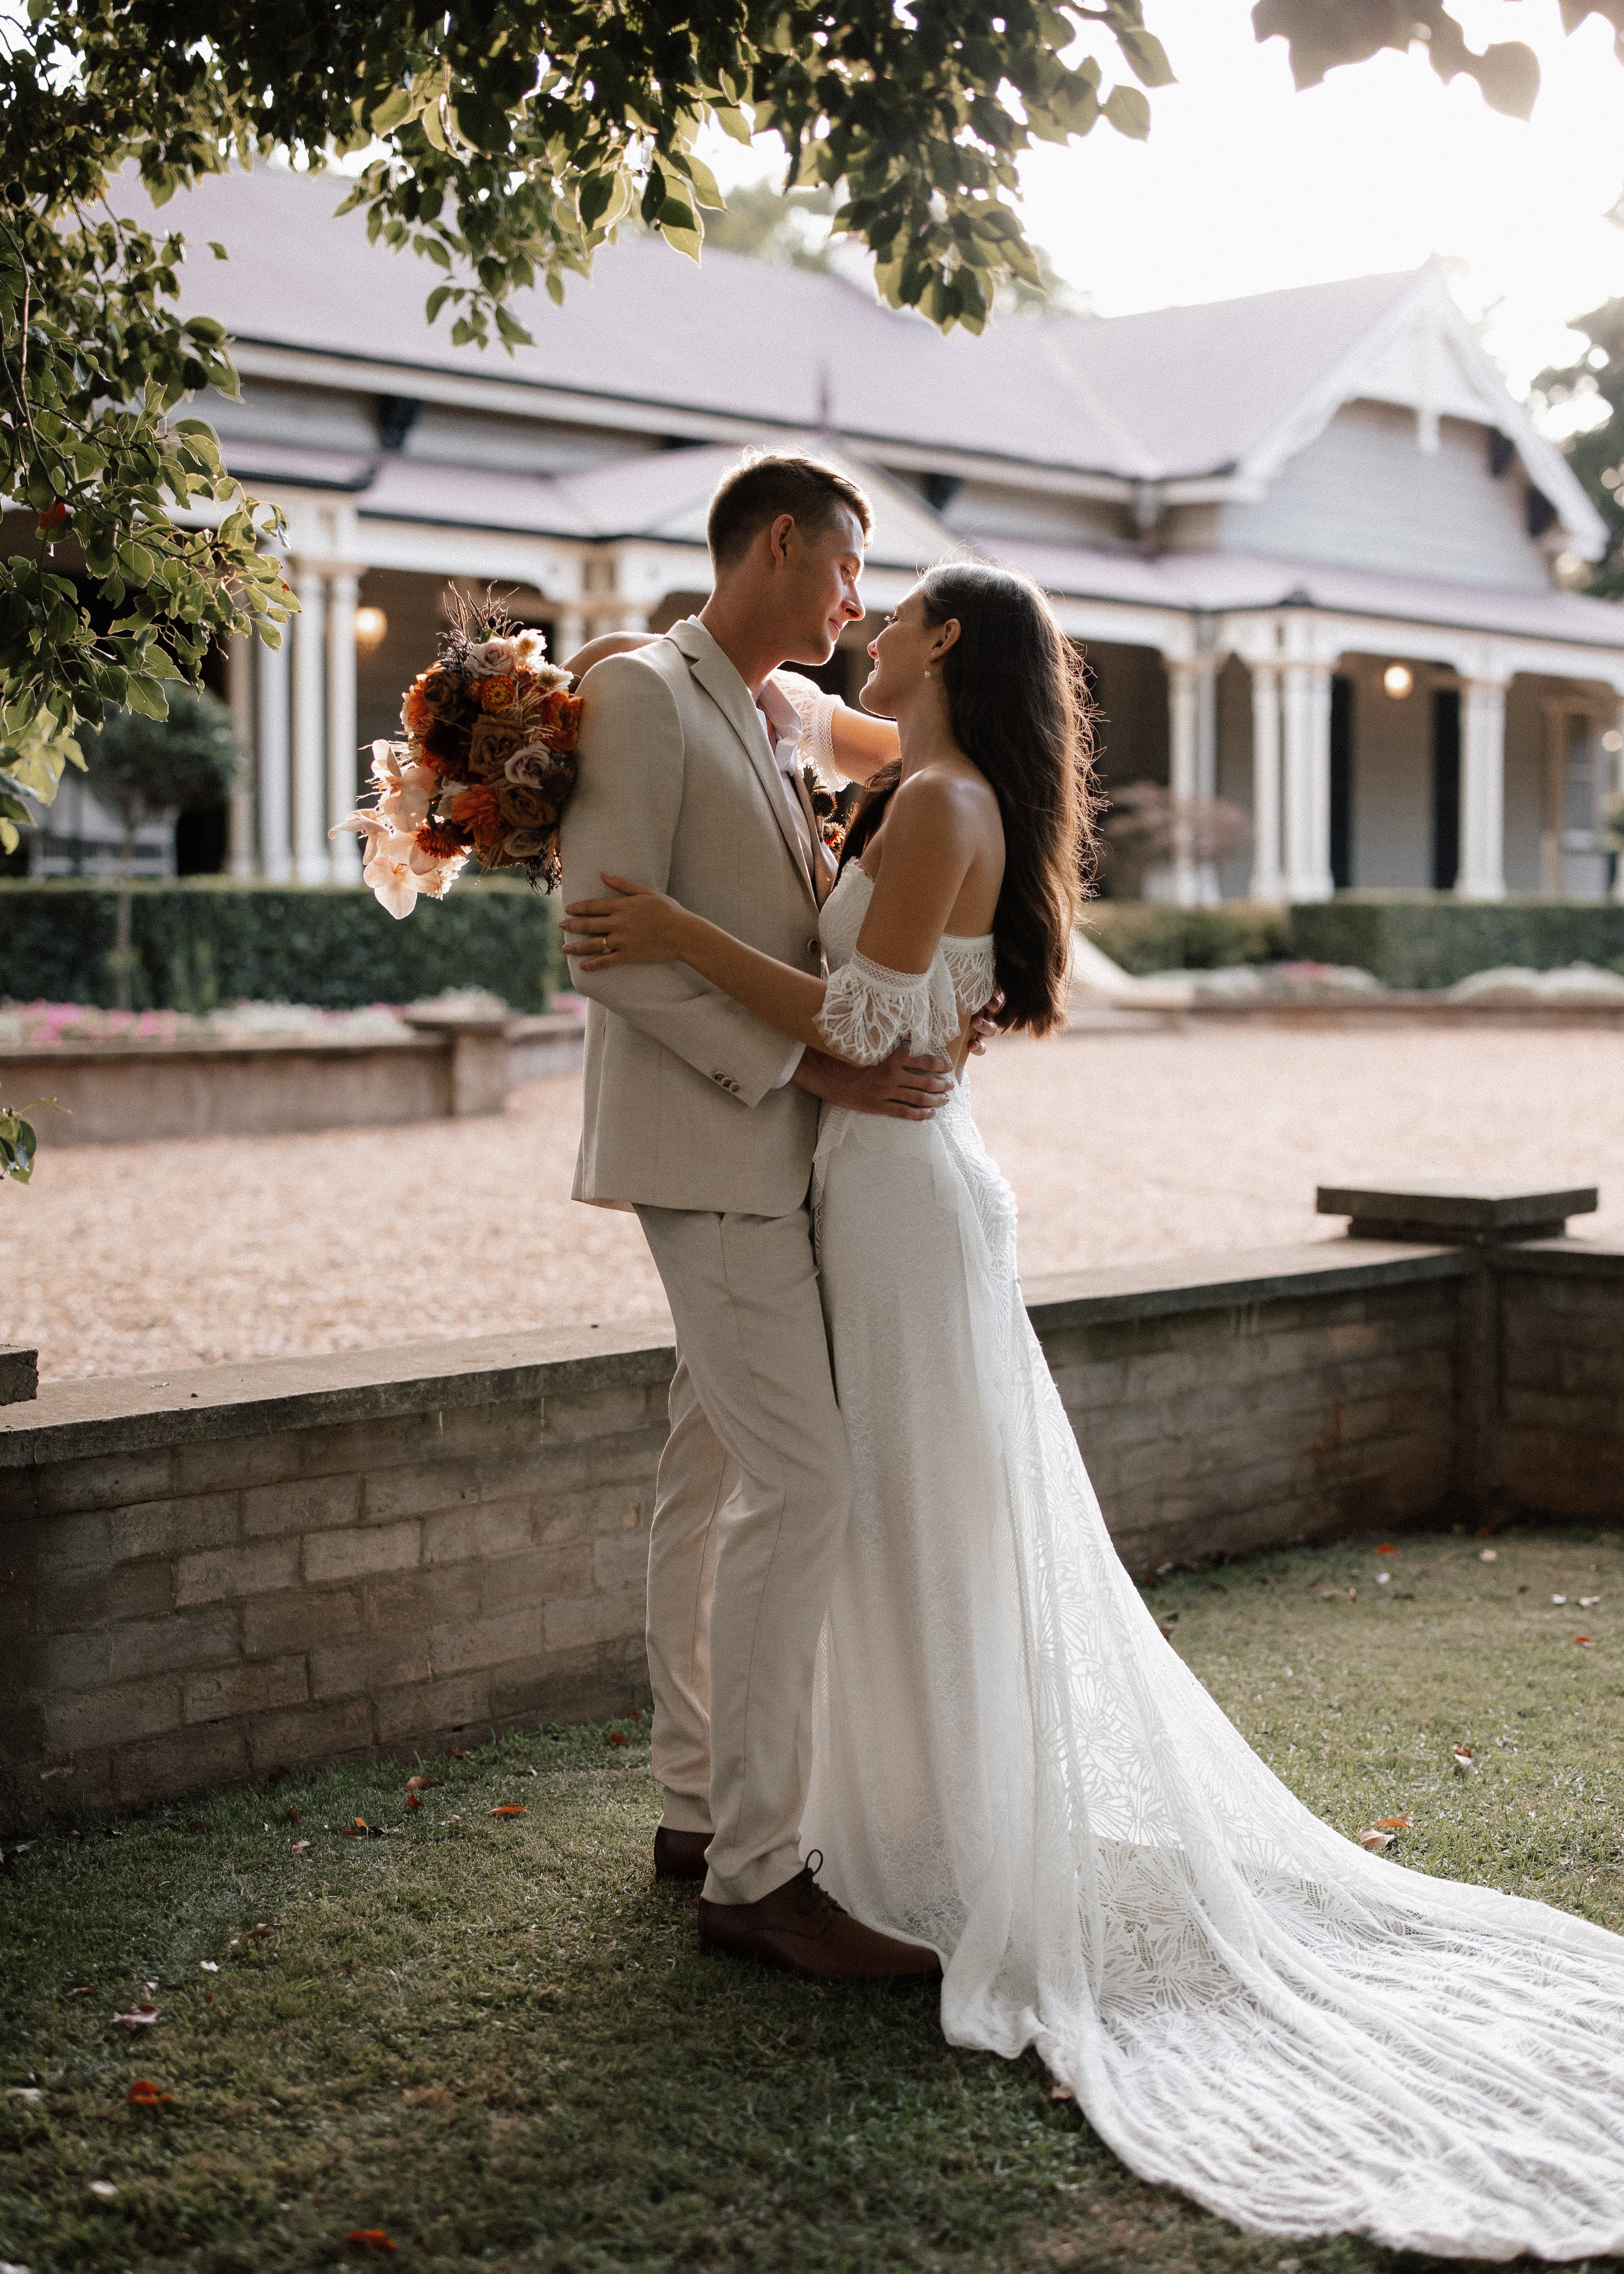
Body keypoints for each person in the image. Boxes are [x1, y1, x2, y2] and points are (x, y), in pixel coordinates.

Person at [562, 561, 1624, 2261]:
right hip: (881, 1172)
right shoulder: (913, 765)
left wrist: (675, 930)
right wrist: (628, 689)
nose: (869, 626)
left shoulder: (940, 806)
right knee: (893, 1503)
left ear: (954, 643)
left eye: (894, 608)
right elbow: (802, 716)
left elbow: (853, 1019)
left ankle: (916, 1829)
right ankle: (867, 1813)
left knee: (906, 1501)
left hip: (899, 1191)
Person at [560, 452, 974, 1985]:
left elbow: (921, 749)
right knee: (808, 1487)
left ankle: (692, 1803)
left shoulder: (769, 705)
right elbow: (604, 946)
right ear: (782, 543)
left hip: (779, 1152)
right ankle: (758, 1869)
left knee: (709, 1475)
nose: (858, 602)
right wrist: (810, 1061)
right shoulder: (650, 697)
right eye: (850, 570)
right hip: (710, 1149)